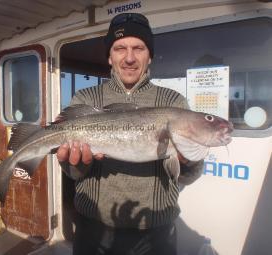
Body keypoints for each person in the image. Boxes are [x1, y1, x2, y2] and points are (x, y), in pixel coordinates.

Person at [57, 13, 204, 255]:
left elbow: (187, 176)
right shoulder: (86, 99)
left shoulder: (173, 103)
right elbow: (73, 173)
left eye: (139, 48)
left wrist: (188, 163)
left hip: (155, 233)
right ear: (109, 56)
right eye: (119, 48)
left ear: (150, 56)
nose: (129, 58)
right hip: (93, 230)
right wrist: (73, 164)